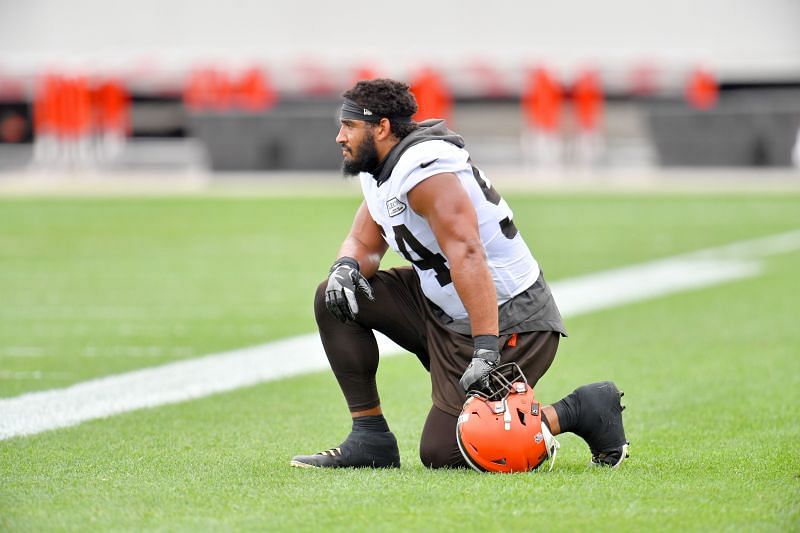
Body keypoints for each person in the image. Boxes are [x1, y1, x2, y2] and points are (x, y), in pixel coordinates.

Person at [290, 79, 628, 470]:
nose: (339, 136)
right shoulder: (382, 167)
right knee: (335, 297)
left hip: (507, 316)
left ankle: (580, 409)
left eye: (349, 126)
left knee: (446, 452)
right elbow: (364, 243)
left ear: (381, 128)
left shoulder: (424, 171)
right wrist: (345, 266)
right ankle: (370, 437)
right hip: (441, 304)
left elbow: (468, 253)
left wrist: (486, 348)